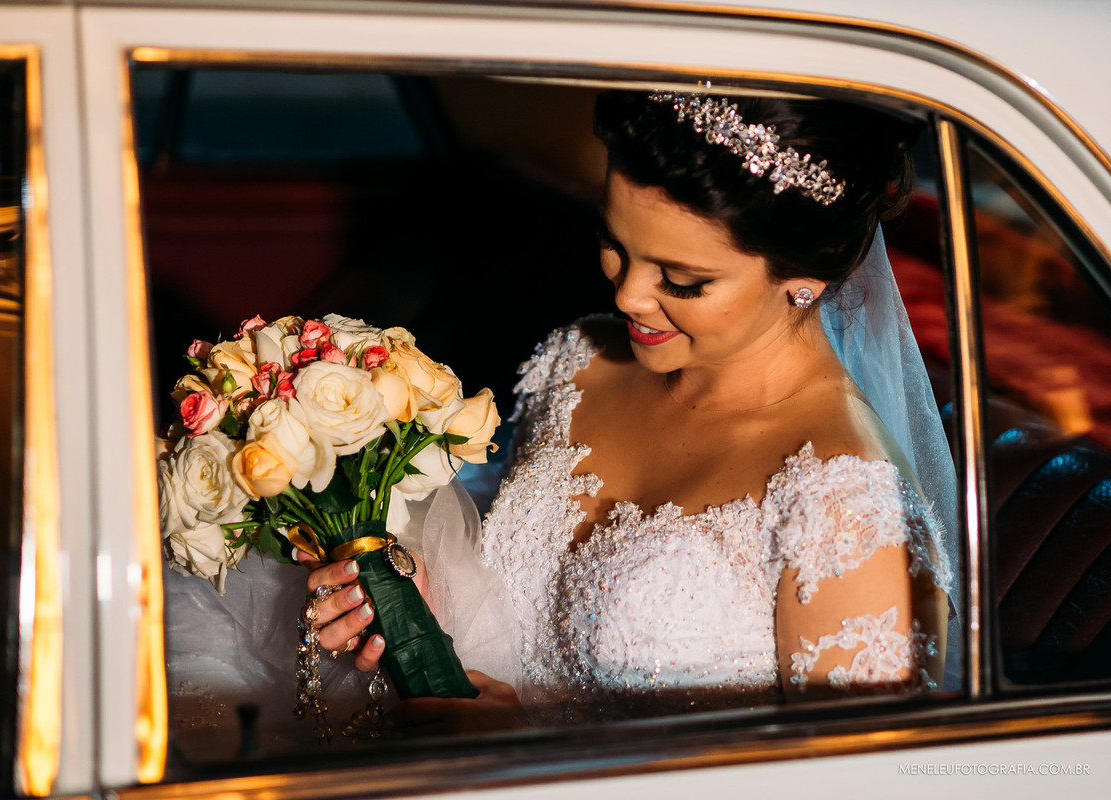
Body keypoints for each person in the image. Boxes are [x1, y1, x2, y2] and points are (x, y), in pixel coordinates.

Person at [302, 89, 957, 728]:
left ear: (805, 277)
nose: (630, 295)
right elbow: (520, 613)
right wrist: (421, 605)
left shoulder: (848, 510)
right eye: (614, 241)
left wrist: (534, 755)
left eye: (682, 280)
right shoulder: (577, 363)